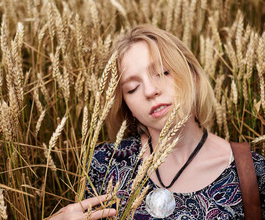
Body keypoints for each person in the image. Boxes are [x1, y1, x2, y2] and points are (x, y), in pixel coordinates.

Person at [49, 24, 265, 219]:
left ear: (193, 75)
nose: (151, 91)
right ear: (128, 107)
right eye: (132, 88)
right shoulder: (106, 163)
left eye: (162, 73)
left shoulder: (251, 172)